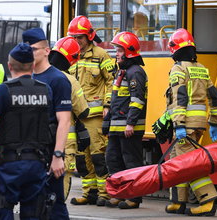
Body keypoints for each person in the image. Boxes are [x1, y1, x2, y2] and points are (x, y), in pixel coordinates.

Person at [0, 43, 55, 219]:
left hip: (10, 164)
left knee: (2, 209)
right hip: (38, 162)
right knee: (34, 213)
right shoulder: (46, 90)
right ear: (32, 65)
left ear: (9, 65)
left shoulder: (3, 90)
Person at [161, 28, 217, 216]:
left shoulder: (178, 69)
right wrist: (214, 122)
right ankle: (178, 202)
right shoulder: (201, 68)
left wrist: (178, 124)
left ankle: (208, 200)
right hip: (198, 123)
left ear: (175, 49)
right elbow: (215, 97)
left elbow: (179, 98)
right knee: (177, 161)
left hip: (184, 124)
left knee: (189, 164)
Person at [22, 28, 72, 219]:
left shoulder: (57, 79)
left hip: (48, 152)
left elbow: (64, 120)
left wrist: (58, 155)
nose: (30, 54)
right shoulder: (26, 77)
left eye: (34, 49)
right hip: (28, 153)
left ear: (46, 50)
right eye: (27, 50)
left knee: (53, 203)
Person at [67, 15, 115, 206]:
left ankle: (104, 193)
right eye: (74, 37)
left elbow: (111, 81)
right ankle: (89, 193)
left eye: (80, 37)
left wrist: (107, 105)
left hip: (94, 116)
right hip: (77, 116)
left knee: (98, 156)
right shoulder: (71, 57)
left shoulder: (101, 55)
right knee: (81, 159)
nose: (77, 41)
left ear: (89, 36)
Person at [102, 32, 147, 209]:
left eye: (119, 50)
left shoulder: (136, 72)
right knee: (113, 159)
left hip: (129, 128)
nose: (116, 53)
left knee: (131, 163)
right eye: (116, 50)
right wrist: (108, 125)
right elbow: (115, 101)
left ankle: (134, 198)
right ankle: (120, 194)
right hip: (116, 127)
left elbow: (137, 100)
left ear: (129, 51)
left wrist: (131, 123)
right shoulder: (122, 71)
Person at [48, 36, 90, 200]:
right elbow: (83, 112)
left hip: (38, 141)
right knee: (60, 186)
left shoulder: (37, 75)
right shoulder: (70, 80)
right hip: (63, 144)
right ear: (72, 60)